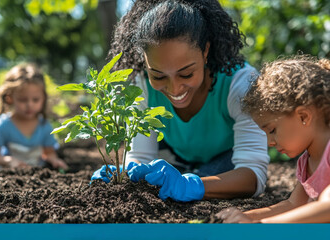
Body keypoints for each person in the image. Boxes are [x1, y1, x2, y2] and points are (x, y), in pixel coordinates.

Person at [91, 0, 269, 202]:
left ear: (205, 51)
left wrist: (189, 185)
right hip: (173, 157)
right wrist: (127, 175)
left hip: (227, 162)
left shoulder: (240, 84)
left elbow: (253, 175)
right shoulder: (141, 86)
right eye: (158, 76)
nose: (174, 89)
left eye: (186, 74)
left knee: (209, 172)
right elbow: (141, 156)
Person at [216, 56, 330, 223]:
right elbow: (293, 204)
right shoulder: (307, 161)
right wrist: (245, 217)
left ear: (304, 116)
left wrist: (262, 226)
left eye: (272, 130)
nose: (270, 142)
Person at [0, 63, 68, 172]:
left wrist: (54, 160)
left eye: (35, 100)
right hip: (8, 171)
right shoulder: (3, 124)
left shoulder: (44, 125)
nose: (29, 105)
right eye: (23, 100)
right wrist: (8, 160)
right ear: (10, 98)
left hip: (35, 171)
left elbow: (49, 152)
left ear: (43, 98)